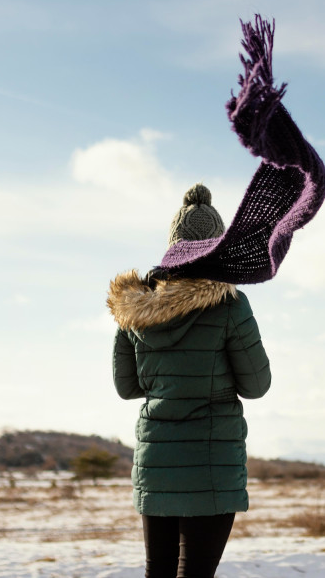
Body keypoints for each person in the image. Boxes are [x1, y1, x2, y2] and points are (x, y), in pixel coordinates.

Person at [108, 183, 271, 578]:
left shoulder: (134, 309)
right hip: (212, 465)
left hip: (157, 463)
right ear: (218, 247)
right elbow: (256, 385)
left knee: (158, 573)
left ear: (173, 246)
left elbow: (127, 387)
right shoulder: (230, 305)